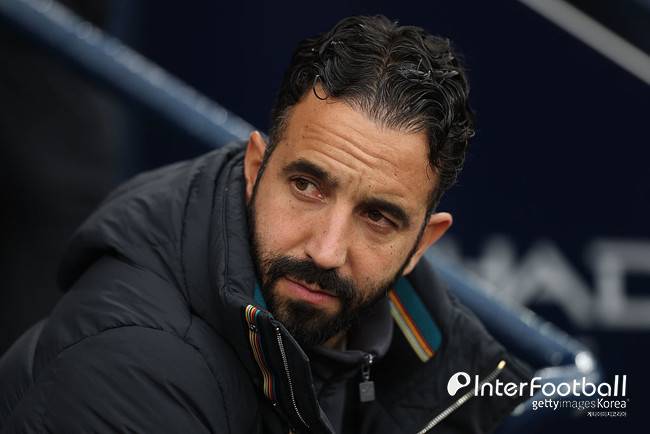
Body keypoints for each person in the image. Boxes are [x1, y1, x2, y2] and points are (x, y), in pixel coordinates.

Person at [0, 15, 531, 434]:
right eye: (307, 186)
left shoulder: (419, 326)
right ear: (255, 169)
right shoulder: (134, 366)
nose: (326, 250)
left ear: (421, 244)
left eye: (377, 217)